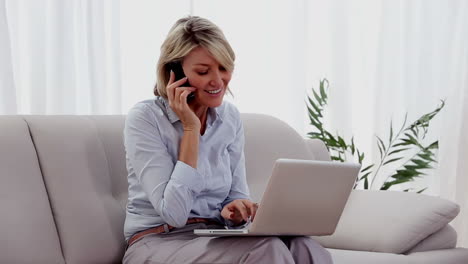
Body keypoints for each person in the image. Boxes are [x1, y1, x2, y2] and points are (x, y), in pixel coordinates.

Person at [122, 16, 333, 264]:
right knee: (266, 250)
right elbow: (174, 213)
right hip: (158, 240)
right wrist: (191, 128)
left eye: (223, 68)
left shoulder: (229, 117)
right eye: (203, 71)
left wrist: (236, 212)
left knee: (305, 247)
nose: (218, 81)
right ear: (175, 72)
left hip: (213, 236)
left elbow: (236, 194)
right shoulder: (145, 118)